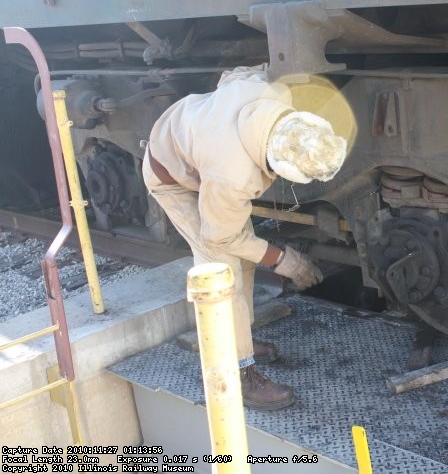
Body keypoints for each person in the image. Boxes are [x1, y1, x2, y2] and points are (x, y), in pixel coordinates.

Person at [142, 65, 348, 410]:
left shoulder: (273, 95)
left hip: (192, 146)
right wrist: (287, 262)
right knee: (223, 273)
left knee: (247, 263)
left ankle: (242, 344)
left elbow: (235, 74)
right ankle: (236, 373)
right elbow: (221, 237)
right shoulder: (232, 175)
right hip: (174, 178)